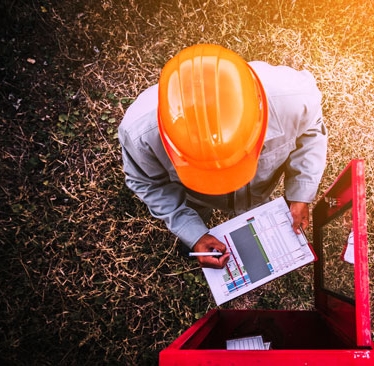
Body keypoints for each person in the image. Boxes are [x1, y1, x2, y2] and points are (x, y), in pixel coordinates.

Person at [118, 44, 327, 269]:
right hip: (196, 198)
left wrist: (300, 194)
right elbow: (147, 183)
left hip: (259, 194)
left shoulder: (295, 97)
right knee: (197, 216)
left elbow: (312, 132)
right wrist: (193, 233)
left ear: (259, 117)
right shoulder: (139, 134)